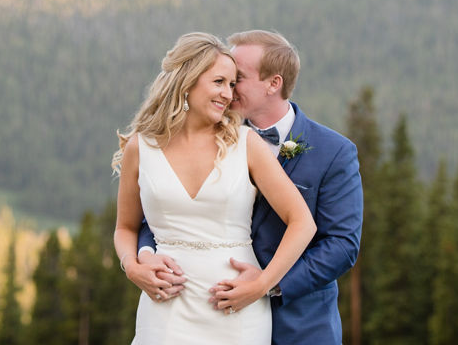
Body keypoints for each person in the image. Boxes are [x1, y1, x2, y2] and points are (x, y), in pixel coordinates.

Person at [137, 30, 364, 344]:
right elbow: (166, 215)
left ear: (273, 83)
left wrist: (268, 286)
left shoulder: (334, 152)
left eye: (237, 79)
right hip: (208, 313)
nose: (228, 89)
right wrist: (144, 255)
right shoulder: (211, 137)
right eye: (223, 80)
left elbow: (342, 245)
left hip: (299, 325)